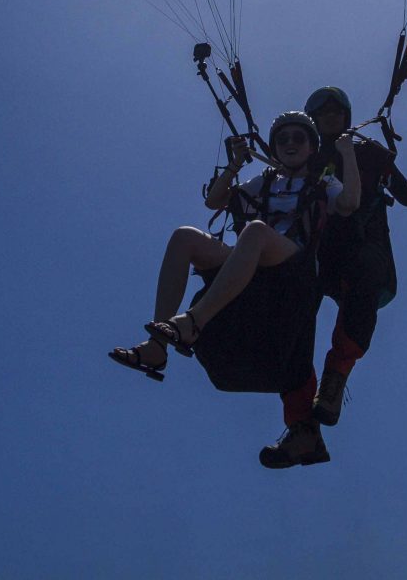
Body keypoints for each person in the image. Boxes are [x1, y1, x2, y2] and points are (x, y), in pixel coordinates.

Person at [108, 111, 360, 467]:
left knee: (255, 231)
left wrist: (346, 152)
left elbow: (349, 204)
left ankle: (193, 322)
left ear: (311, 146)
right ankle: (157, 347)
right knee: (184, 237)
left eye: (298, 138)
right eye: (283, 138)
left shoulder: (323, 182)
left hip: (294, 267)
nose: (289, 143)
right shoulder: (263, 180)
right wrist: (234, 165)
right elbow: (214, 201)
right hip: (255, 263)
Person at [299, 86, 407, 427]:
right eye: (323, 113)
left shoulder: (369, 153)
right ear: (313, 120)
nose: (331, 117)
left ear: (347, 117)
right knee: (293, 295)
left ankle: (335, 377)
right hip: (321, 248)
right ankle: (293, 389)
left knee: (366, 277)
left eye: (337, 112)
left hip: (363, 243)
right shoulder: (303, 156)